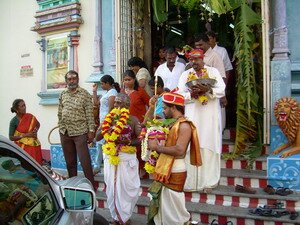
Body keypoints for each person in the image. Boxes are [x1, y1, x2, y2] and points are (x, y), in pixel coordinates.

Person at [147, 92, 202, 225]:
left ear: (173, 108)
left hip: (175, 169)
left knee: (175, 211)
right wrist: (151, 107)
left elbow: (180, 150)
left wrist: (157, 148)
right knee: (163, 209)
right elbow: (147, 123)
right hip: (164, 168)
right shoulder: (169, 123)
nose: (163, 111)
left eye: (165, 108)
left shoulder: (184, 125)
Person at [177, 49, 225, 192]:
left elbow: (222, 89)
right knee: (192, 146)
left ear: (203, 59)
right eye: (191, 59)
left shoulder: (213, 72)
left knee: (209, 146)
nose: (194, 62)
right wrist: (192, 94)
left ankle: (209, 183)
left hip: (209, 117)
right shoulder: (186, 75)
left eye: (197, 59)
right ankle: (192, 183)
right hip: (193, 116)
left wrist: (208, 91)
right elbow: (180, 94)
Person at [96, 93, 141, 225]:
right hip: (111, 158)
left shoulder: (133, 120)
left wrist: (127, 142)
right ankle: (116, 218)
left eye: (119, 103)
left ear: (127, 105)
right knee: (111, 189)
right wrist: (106, 130)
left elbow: (140, 139)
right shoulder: (108, 119)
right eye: (115, 102)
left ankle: (125, 218)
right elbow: (97, 138)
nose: (116, 105)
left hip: (126, 159)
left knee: (128, 189)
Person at [57, 70, 96, 190]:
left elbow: (90, 114)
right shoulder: (63, 94)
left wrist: (91, 131)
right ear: (66, 81)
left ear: (77, 80)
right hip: (65, 132)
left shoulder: (84, 94)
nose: (71, 81)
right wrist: (60, 125)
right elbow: (59, 112)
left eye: (74, 78)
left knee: (85, 161)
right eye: (69, 79)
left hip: (80, 132)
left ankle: (91, 186)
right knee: (70, 162)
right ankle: (72, 185)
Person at [206, 31, 233, 130]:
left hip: (219, 83)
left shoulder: (222, 51)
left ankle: (220, 130)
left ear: (214, 39)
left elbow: (227, 69)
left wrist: (224, 86)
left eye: (209, 39)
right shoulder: (202, 52)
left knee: (220, 108)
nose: (208, 41)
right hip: (206, 86)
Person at [9, 99, 43, 165]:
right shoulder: (14, 121)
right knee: (26, 166)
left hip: (34, 145)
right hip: (22, 148)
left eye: (25, 105)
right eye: (22, 106)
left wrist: (34, 132)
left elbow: (38, 124)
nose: (25, 107)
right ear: (17, 109)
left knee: (36, 165)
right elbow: (11, 137)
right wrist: (26, 135)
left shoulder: (30, 116)